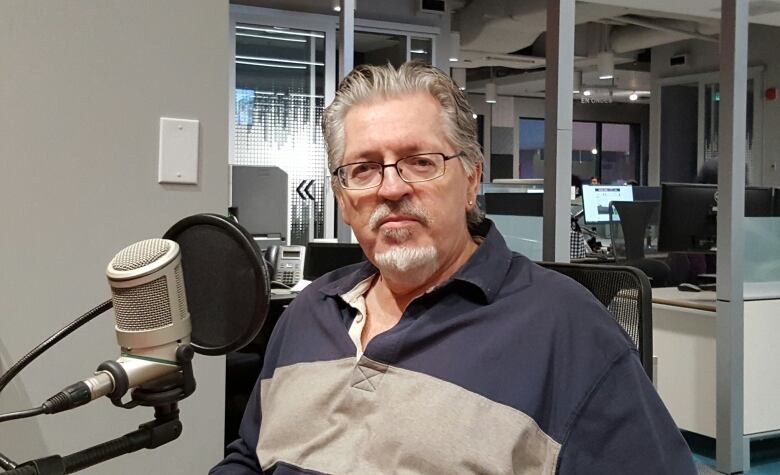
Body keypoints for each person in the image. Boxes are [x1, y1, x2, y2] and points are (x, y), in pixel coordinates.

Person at [211, 62, 696, 474]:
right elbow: (251, 457)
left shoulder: (564, 326)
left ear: (471, 180)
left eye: (420, 162)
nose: (391, 188)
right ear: (342, 200)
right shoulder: (307, 312)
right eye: (363, 169)